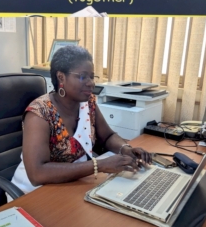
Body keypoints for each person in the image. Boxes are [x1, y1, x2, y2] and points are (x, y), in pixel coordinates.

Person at [10, 45, 152, 195]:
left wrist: (126, 149)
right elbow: (37, 174)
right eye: (83, 76)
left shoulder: (88, 102)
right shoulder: (39, 113)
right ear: (61, 77)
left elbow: (107, 136)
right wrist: (99, 165)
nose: (91, 83)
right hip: (33, 192)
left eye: (92, 76)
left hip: (73, 184)